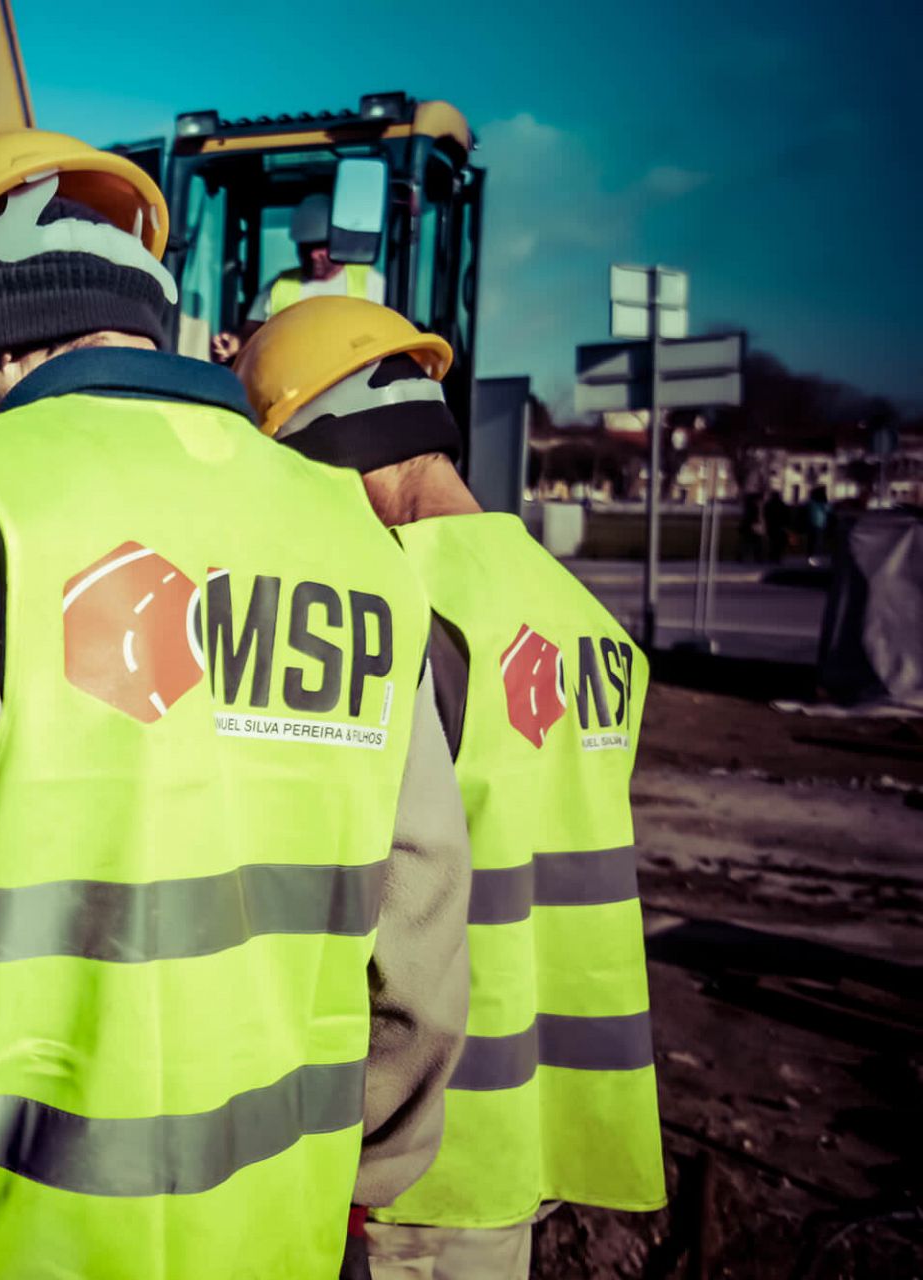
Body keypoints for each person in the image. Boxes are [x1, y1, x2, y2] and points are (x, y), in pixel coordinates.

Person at [0, 130, 471, 1280]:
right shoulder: (354, 538)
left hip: (2, 1242)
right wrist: (371, 1167)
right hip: (275, 1232)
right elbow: (424, 918)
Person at [235, 296, 667, 1280]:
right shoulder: (583, 614)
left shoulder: (390, 616)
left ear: (331, 454)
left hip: (411, 1151)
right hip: (542, 1121)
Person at [211, 192, 386, 364]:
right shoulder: (279, 286)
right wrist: (235, 344)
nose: (313, 254)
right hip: (293, 387)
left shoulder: (373, 283)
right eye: (306, 246)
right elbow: (251, 334)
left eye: (320, 245)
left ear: (338, 242)